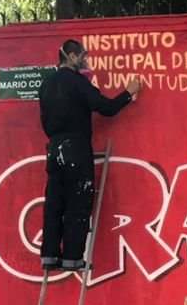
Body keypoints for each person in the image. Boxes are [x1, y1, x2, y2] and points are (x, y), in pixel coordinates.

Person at [38, 40, 143, 271]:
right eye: (83, 56)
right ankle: (72, 258)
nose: (85, 60)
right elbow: (105, 107)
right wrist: (129, 93)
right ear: (73, 57)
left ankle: (49, 256)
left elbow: (44, 120)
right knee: (78, 202)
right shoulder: (78, 82)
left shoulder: (46, 84)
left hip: (54, 149)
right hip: (76, 147)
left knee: (54, 203)